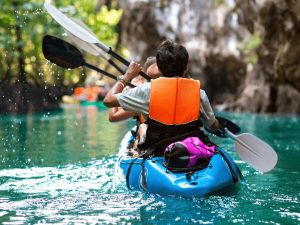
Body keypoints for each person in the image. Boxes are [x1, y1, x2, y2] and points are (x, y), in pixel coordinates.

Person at [104, 40, 219, 155]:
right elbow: (213, 127)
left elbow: (108, 101)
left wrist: (126, 76)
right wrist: (214, 123)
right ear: (186, 67)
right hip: (190, 148)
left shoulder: (146, 90)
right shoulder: (199, 93)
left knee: (143, 126)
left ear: (159, 67)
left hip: (158, 148)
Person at [108, 57, 160, 122]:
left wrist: (121, 82)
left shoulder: (144, 93)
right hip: (166, 128)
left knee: (142, 128)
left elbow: (113, 116)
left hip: (151, 129)